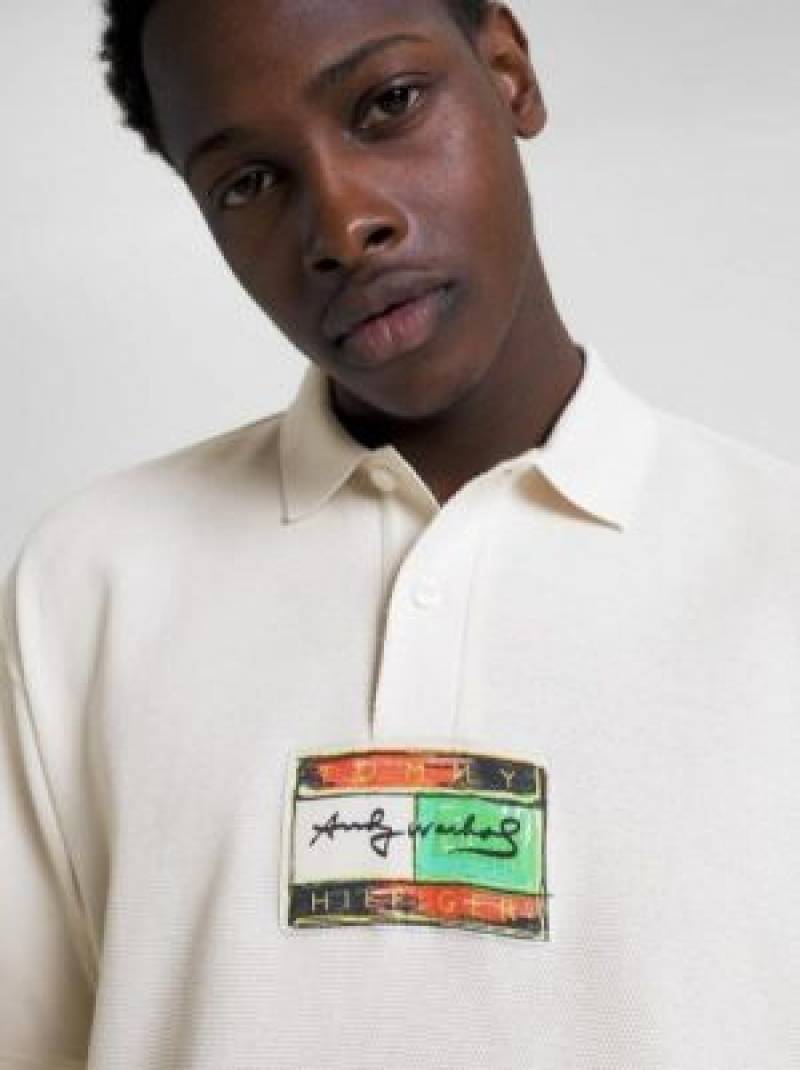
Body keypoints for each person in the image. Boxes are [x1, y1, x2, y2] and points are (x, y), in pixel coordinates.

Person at [1, 1, 797, 1067]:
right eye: (248, 181)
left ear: (507, 71)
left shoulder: (777, 567)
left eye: (388, 104)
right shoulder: (88, 585)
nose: (341, 228)